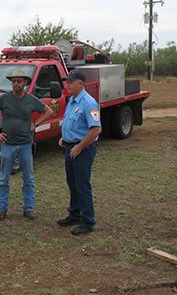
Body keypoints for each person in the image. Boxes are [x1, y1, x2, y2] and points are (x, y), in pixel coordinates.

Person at [0, 69, 53, 221]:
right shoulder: (4, 99)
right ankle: (1, 209)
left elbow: (48, 111)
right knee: (3, 179)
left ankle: (28, 209)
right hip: (7, 144)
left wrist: (35, 124)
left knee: (28, 178)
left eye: (19, 81)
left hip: (25, 145)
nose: (16, 84)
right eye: (14, 81)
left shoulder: (31, 99)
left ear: (25, 83)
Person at [57, 70, 102, 235]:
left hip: (83, 150)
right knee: (72, 183)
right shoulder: (72, 101)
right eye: (66, 82)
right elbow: (72, 124)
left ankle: (87, 221)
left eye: (70, 82)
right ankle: (75, 214)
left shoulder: (89, 103)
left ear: (80, 84)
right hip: (71, 147)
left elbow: (96, 129)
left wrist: (79, 147)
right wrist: (65, 139)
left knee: (82, 185)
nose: (67, 85)